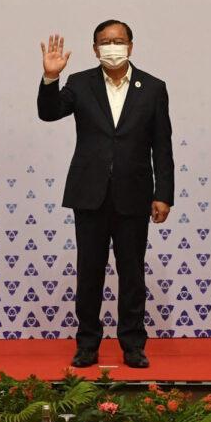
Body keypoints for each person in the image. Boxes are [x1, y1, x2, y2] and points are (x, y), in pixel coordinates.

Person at [38, 21, 173, 369]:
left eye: (118, 40)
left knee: (132, 273)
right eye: (104, 42)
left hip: (135, 192)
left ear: (131, 44)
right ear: (95, 49)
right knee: (90, 271)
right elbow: (49, 112)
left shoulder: (153, 87)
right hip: (90, 192)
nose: (112, 46)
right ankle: (87, 344)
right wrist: (50, 78)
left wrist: (164, 193)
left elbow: (162, 145)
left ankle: (132, 343)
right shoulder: (80, 83)